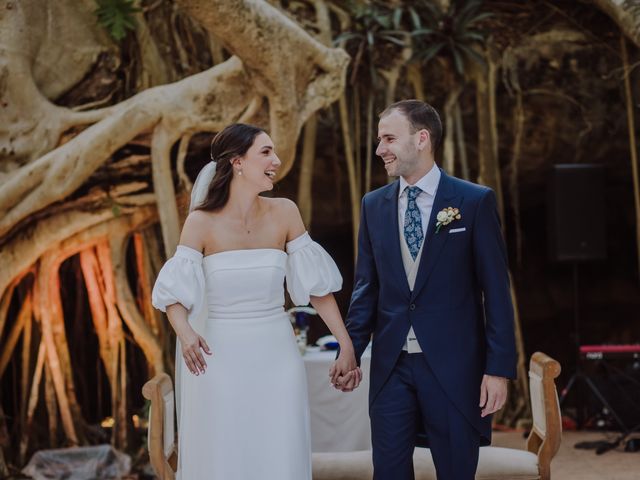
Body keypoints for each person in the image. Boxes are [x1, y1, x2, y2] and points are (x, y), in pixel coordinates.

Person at [151, 123, 361, 480]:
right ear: (237, 162)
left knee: (279, 445)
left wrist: (346, 344)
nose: (276, 161)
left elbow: (317, 288)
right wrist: (186, 333)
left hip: (277, 356)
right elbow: (174, 296)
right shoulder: (201, 222)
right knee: (226, 448)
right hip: (219, 358)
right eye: (266, 152)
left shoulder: (285, 212)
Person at [335, 100, 517, 479]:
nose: (379, 149)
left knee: (454, 470)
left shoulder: (473, 201)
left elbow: (496, 291)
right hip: (391, 368)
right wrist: (351, 348)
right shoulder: (374, 205)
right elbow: (366, 289)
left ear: (422, 139)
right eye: (379, 139)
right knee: (388, 471)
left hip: (455, 368)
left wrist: (498, 369)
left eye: (388, 138)